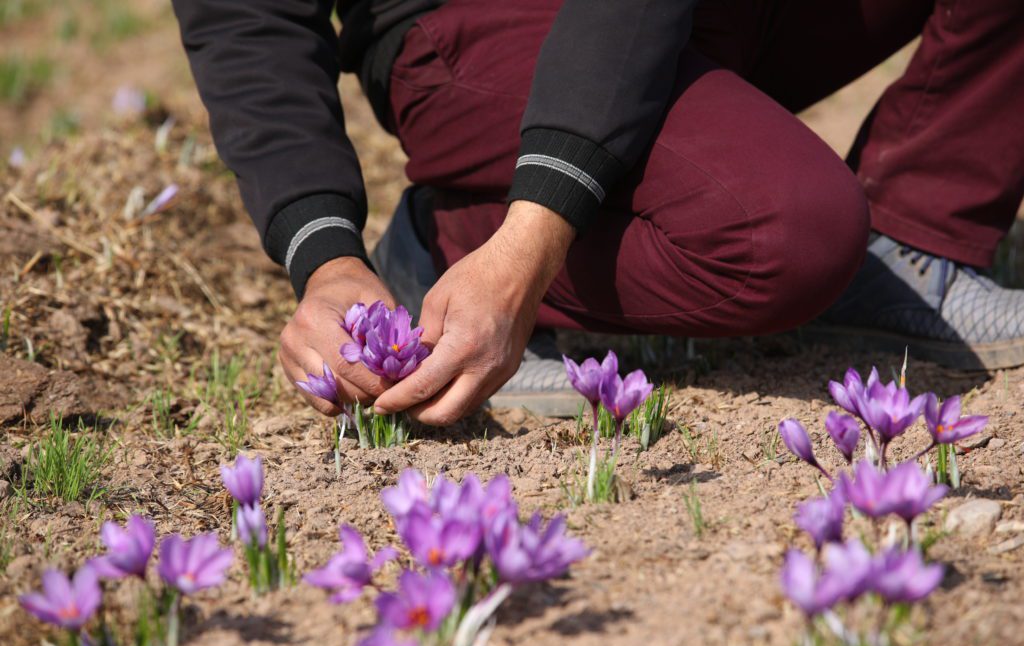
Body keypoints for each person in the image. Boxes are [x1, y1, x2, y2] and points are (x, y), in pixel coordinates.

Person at [171, 0, 1024, 425]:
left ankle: (916, 231)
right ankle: (447, 241)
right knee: (788, 231)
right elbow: (246, 18)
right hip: (481, 23)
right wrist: (325, 255)